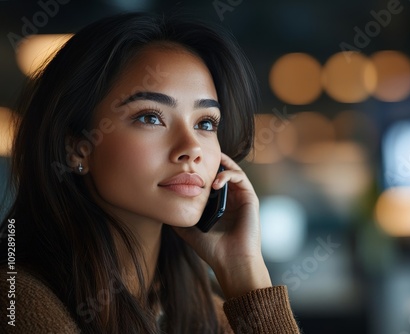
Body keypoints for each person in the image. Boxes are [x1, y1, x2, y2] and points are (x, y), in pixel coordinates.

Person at [0, 12, 301, 333]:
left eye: (205, 123)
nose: (192, 147)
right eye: (150, 118)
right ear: (76, 147)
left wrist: (245, 272)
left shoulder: (203, 310)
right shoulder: (18, 301)